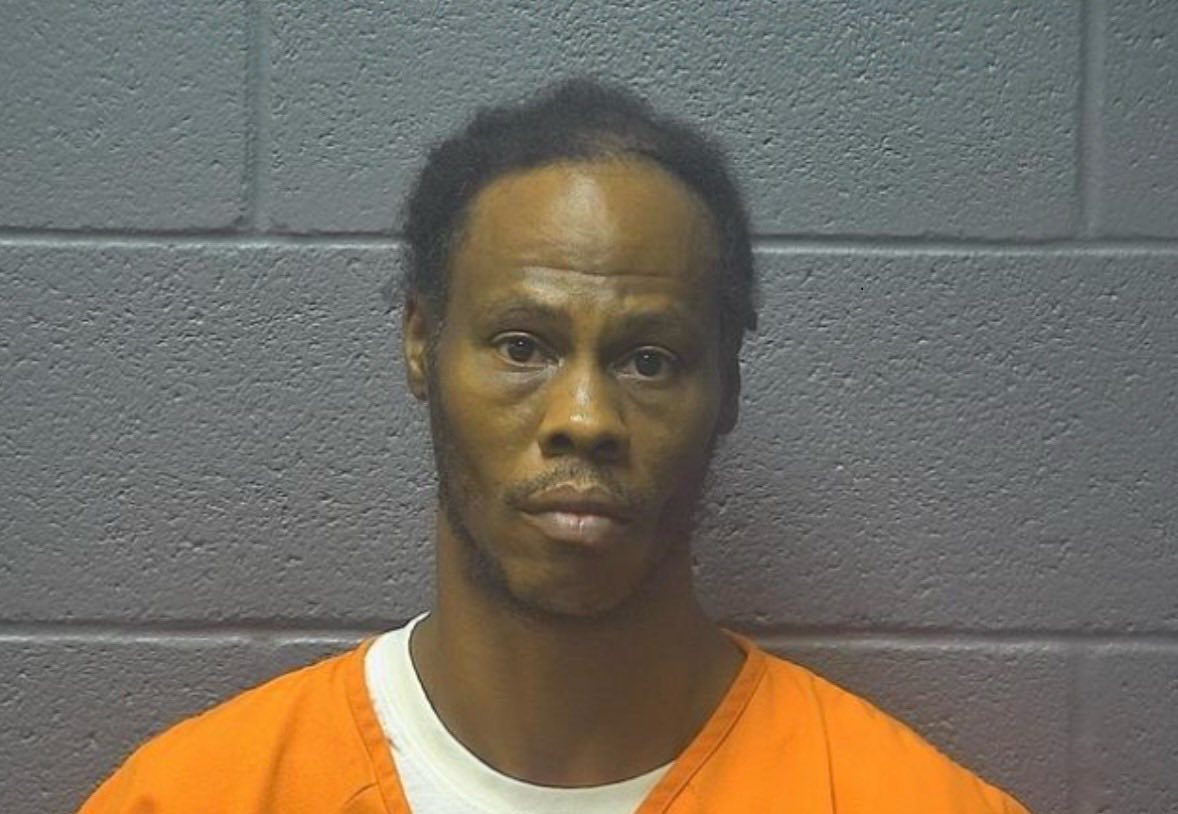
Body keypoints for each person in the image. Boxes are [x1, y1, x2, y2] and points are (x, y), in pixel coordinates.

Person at [78, 79, 1029, 813]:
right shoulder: (198, 794)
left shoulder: (900, 798)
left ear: (727, 387)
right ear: (421, 344)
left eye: (649, 360)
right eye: (522, 346)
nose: (585, 417)